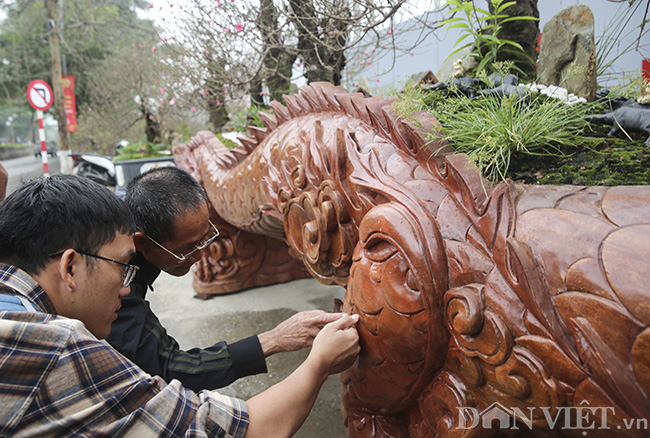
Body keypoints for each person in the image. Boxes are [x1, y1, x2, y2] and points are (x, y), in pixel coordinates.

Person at [0, 174, 360, 437]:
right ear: (70, 266)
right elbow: (220, 424)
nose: (126, 290)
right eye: (124, 268)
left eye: (208, 238)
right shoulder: (57, 348)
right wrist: (316, 362)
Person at [106, 166, 346, 392]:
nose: (200, 256)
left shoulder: (131, 227)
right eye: (187, 249)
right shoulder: (111, 280)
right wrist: (275, 339)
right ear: (142, 243)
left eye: (205, 238)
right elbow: (170, 367)